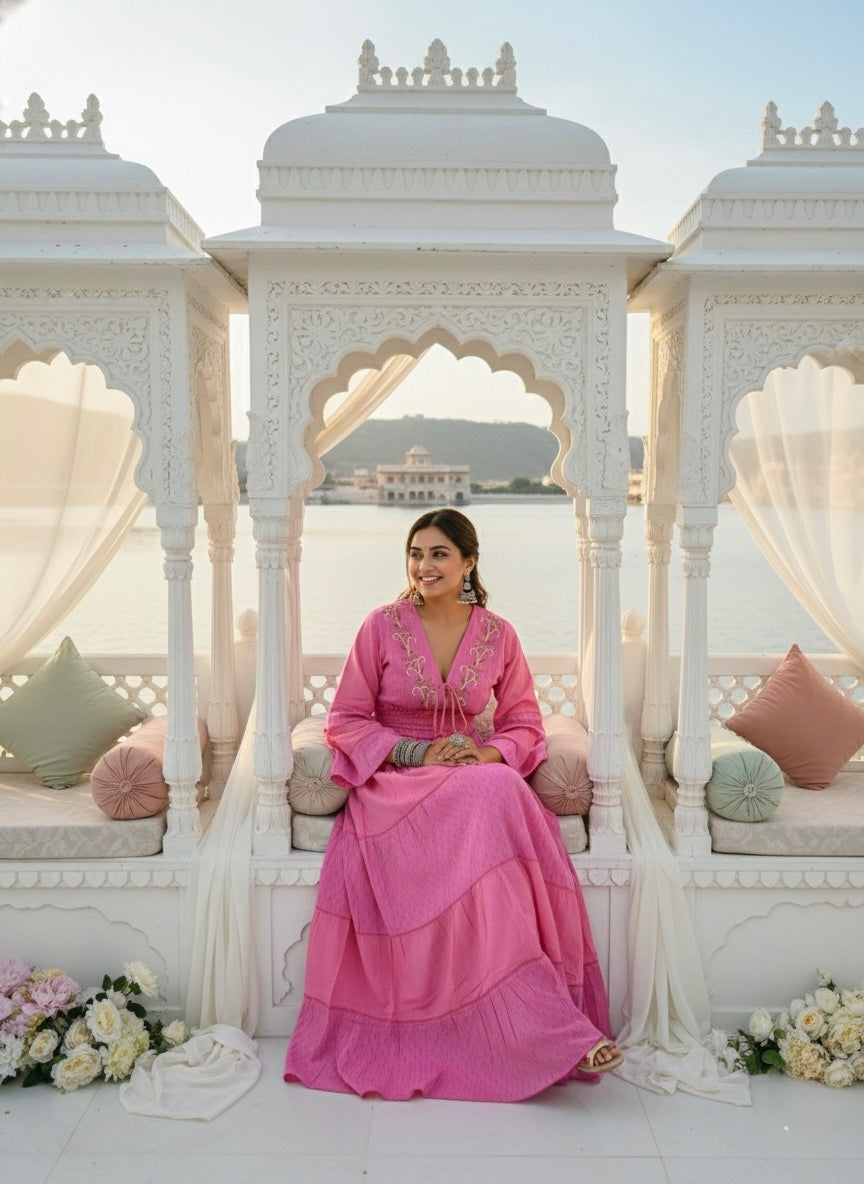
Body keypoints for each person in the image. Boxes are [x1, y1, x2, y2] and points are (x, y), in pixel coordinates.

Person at [284, 508, 621, 1100]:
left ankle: (546, 1030)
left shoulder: (499, 634)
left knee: (498, 787)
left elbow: (524, 721)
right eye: (416, 553)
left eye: (439, 553)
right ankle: (539, 1030)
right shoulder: (380, 627)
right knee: (493, 792)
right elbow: (347, 718)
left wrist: (486, 754)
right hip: (395, 780)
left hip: (471, 773)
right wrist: (419, 753)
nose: (424, 565)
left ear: (469, 562)